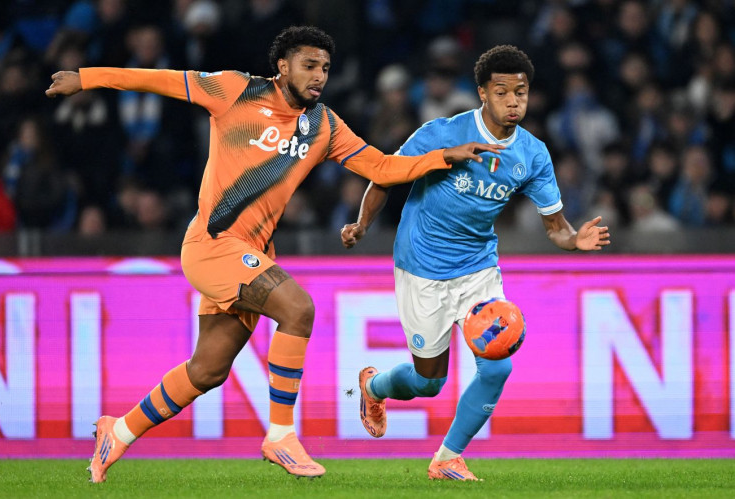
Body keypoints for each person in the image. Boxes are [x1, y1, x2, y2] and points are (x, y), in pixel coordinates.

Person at [45, 25, 497, 482]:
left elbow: (380, 167)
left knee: (207, 371)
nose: (319, 76)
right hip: (213, 245)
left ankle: (119, 431)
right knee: (298, 309)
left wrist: (444, 156)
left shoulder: (324, 125)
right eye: (309, 65)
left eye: (325, 68)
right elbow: (158, 79)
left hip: (253, 253)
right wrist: (86, 78)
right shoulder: (235, 90)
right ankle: (280, 435)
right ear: (282, 66)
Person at [341, 45, 610, 481]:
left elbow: (556, 227)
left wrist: (573, 239)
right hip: (422, 266)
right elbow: (385, 174)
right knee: (429, 382)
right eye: (502, 93)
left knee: (498, 364)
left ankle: (447, 457)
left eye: (520, 92)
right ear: (483, 93)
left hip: (478, 269)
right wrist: (361, 224)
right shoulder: (442, 133)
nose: (513, 102)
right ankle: (373, 386)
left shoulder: (532, 154)